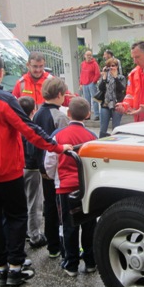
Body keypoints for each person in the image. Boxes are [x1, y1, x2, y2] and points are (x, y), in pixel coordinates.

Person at [0, 51, 72, 287]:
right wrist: (58, 147)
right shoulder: (5, 99)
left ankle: (1, 267)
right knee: (16, 216)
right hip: (6, 171)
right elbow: (29, 129)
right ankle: (15, 267)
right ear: (1, 72)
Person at [45, 96, 98, 277]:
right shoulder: (92, 137)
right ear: (88, 114)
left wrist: (54, 177)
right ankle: (90, 261)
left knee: (69, 226)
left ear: (68, 113)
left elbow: (50, 162)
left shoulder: (58, 136)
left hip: (65, 187)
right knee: (89, 225)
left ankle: (71, 264)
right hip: (86, 188)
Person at [32, 77, 70, 259]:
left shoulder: (38, 112)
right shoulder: (59, 116)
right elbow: (64, 141)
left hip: (42, 165)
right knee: (60, 208)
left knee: (49, 206)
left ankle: (52, 245)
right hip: (55, 168)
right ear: (60, 94)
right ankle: (62, 244)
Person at [18, 95, 48, 249]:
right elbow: (32, 150)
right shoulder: (30, 127)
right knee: (34, 203)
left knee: (21, 202)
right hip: (31, 168)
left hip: (17, 168)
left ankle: (23, 230)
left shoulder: (15, 125)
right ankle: (34, 235)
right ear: (33, 110)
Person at [97, 57, 126, 138]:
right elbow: (100, 88)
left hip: (117, 104)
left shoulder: (121, 77)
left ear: (117, 67)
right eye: (109, 66)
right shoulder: (105, 77)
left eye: (113, 66)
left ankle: (115, 142)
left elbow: (122, 88)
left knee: (116, 127)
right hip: (105, 104)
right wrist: (104, 78)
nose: (111, 68)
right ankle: (101, 142)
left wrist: (116, 78)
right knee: (103, 129)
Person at [79, 50, 101, 120]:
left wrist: (93, 82)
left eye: (90, 55)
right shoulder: (82, 64)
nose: (89, 56)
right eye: (87, 55)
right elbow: (81, 74)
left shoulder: (94, 64)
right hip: (84, 84)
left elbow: (97, 74)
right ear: (84, 56)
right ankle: (88, 115)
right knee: (86, 100)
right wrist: (81, 83)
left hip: (92, 83)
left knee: (94, 99)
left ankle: (96, 115)